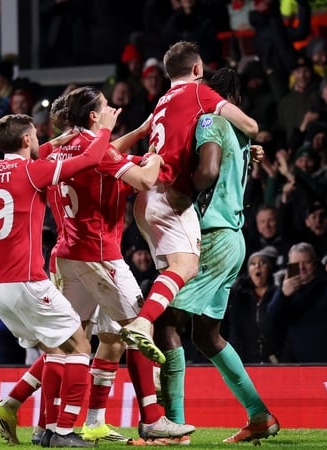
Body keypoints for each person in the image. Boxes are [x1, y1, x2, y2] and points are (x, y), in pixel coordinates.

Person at [41, 86, 195, 443]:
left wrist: (138, 135)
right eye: (106, 107)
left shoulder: (62, 148)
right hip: (99, 256)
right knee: (139, 327)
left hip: (66, 256)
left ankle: (51, 425)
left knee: (72, 342)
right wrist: (156, 153)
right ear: (94, 116)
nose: (112, 109)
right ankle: (153, 419)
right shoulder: (99, 150)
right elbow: (144, 179)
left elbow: (102, 153)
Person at [153, 68, 280, 444]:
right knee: (207, 337)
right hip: (233, 239)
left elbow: (208, 170)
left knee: (164, 324)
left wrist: (181, 194)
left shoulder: (208, 120)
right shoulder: (239, 134)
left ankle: (173, 426)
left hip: (209, 237)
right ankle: (259, 415)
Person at [0, 111, 119, 448]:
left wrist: (53, 144)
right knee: (80, 344)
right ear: (27, 139)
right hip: (26, 280)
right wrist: (105, 130)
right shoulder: (32, 171)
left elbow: (29, 167)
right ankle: (64, 430)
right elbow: (89, 159)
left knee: (55, 348)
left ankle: (44, 428)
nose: (41, 138)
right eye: (36, 134)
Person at [121, 41, 259, 361]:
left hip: (144, 197)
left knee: (167, 283)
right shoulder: (200, 94)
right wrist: (246, 141)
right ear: (197, 70)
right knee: (183, 276)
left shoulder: (160, 102)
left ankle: (152, 373)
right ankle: (143, 325)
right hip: (171, 196)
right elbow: (250, 125)